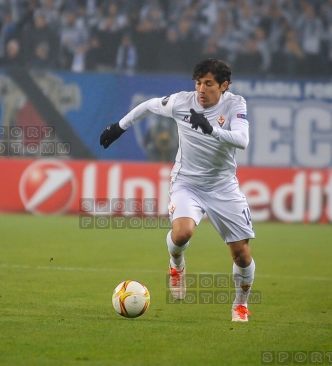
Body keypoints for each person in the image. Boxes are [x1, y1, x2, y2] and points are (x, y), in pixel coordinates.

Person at [100, 59, 256, 322]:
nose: (201, 89)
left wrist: (212, 130)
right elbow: (148, 105)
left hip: (223, 186)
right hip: (187, 182)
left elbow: (242, 140)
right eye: (198, 83)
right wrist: (119, 127)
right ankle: (176, 266)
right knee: (182, 233)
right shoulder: (182, 102)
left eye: (208, 83)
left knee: (241, 254)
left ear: (224, 86)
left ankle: (240, 304)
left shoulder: (235, 104)